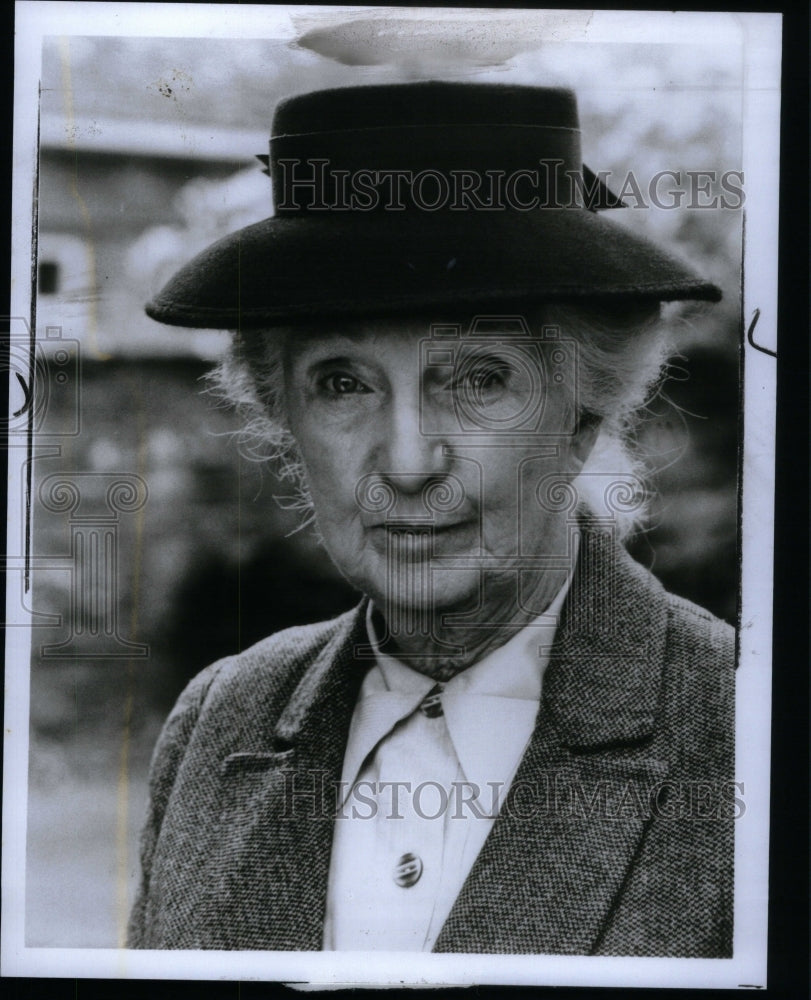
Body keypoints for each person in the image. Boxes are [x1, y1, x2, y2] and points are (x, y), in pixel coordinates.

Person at [128, 82, 735, 956]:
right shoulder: (220, 720)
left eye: (480, 379)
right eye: (343, 382)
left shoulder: (745, 727)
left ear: (584, 414)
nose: (408, 463)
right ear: (283, 420)